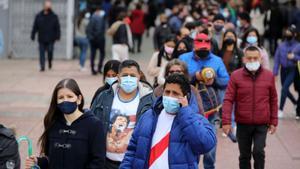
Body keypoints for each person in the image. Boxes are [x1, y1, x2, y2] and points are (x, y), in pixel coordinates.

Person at [119, 73, 216, 169]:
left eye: (175, 93)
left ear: (186, 96)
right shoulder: (148, 116)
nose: (170, 96)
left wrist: (185, 112)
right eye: (167, 92)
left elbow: (205, 145)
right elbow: (132, 149)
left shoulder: (195, 119)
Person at [25, 78, 105, 169]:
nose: (65, 100)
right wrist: (38, 162)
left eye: (70, 96)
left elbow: (98, 162)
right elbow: (49, 158)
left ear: (79, 99)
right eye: (61, 97)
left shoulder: (94, 124)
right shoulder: (52, 122)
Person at [91, 60, 154, 169]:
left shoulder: (149, 100)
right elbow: (91, 124)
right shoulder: (103, 97)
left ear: (139, 77)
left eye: (132, 75)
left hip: (134, 163)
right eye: (125, 75)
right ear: (118, 77)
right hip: (105, 162)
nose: (129, 78)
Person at [222, 46, 278, 169]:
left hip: (262, 123)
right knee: (244, 155)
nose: (252, 61)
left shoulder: (269, 76)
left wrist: (274, 121)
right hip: (243, 123)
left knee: (259, 152)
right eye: (249, 58)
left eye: (255, 58)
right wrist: (226, 122)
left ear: (260, 59)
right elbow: (228, 99)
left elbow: (273, 99)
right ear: (244, 59)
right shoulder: (236, 76)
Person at [273, 26, 300, 118]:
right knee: (285, 90)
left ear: (294, 34)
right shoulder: (281, 45)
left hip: (293, 70)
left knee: (284, 89)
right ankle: (295, 102)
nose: (287, 33)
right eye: (287, 32)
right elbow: (276, 59)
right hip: (283, 70)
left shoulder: (298, 45)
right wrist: (275, 73)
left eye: (290, 32)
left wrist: (294, 57)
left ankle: (280, 109)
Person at [31, 0, 60, 71]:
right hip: (41, 38)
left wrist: (58, 36)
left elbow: (57, 27)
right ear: (44, 6)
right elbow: (35, 26)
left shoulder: (54, 16)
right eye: (47, 5)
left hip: (51, 38)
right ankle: (42, 66)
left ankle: (50, 61)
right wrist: (33, 35)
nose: (48, 6)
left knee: (50, 51)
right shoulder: (39, 16)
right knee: (41, 53)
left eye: (49, 5)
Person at [86, 7, 106, 75]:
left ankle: (92, 69)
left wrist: (91, 37)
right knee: (102, 53)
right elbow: (101, 29)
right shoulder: (101, 18)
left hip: (93, 39)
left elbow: (88, 29)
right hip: (100, 39)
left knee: (93, 54)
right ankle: (99, 68)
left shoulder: (91, 18)